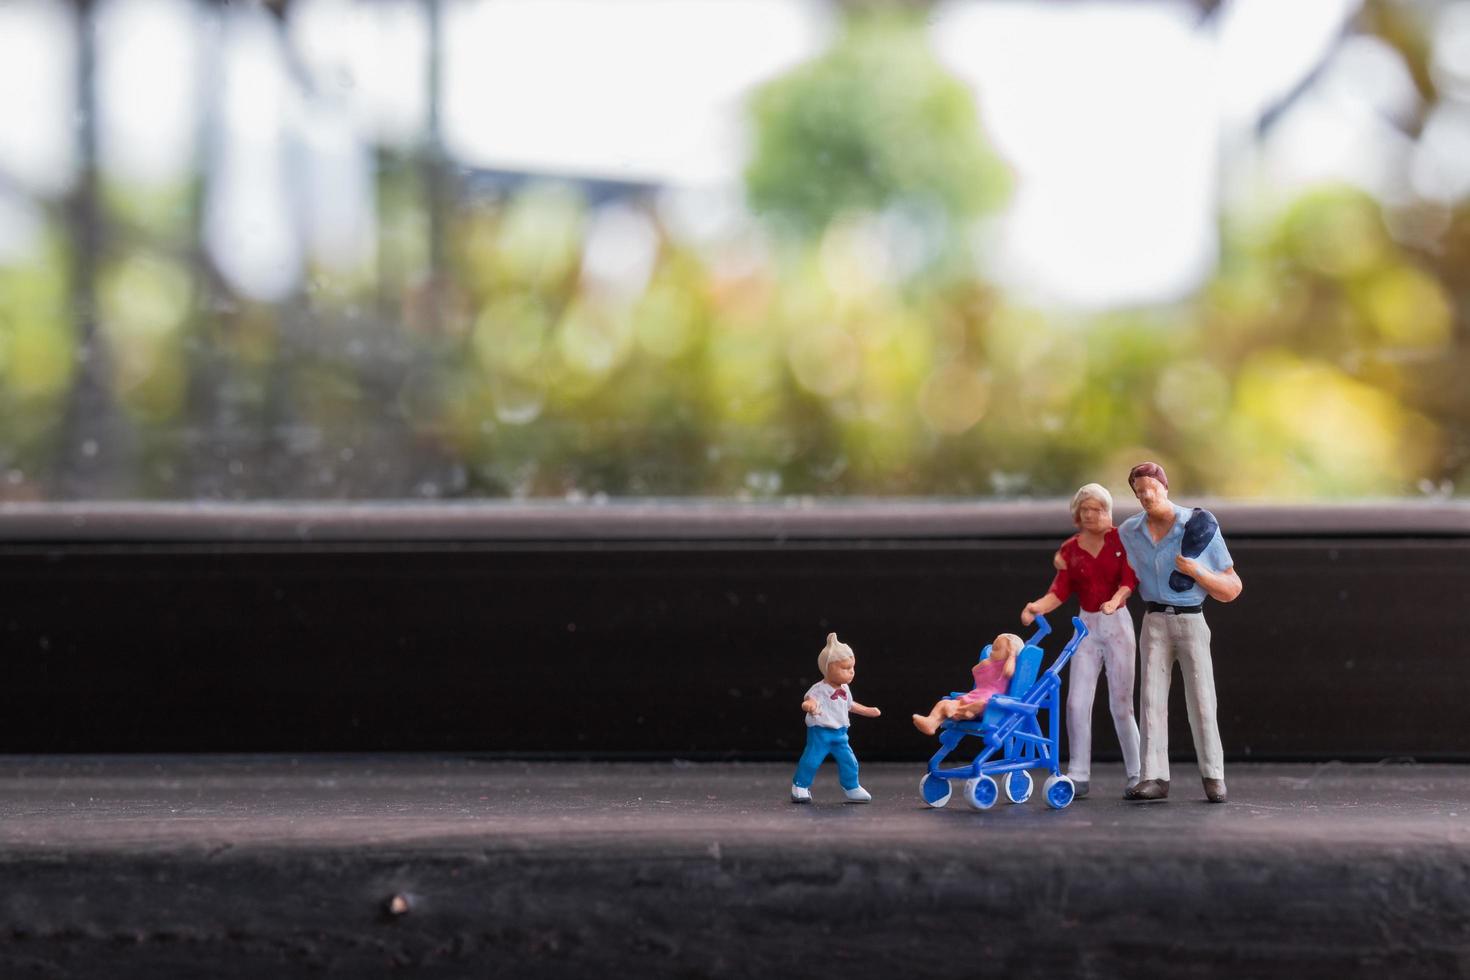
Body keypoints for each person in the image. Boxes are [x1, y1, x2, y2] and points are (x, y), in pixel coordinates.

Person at [1116, 461, 1242, 803]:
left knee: (1202, 700)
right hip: (1154, 621)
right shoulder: (1129, 532)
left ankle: (1213, 775)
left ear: (1165, 487)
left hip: (1190, 619)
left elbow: (1231, 587)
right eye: (1139, 492)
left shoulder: (1198, 525)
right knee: (1151, 700)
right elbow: (1122, 573)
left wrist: (1197, 572)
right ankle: (1154, 776)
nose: (1146, 497)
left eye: (1151, 490)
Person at [1020, 484, 1140, 799]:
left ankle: (1139, 772)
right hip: (1085, 625)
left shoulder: (1121, 541)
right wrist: (1037, 607)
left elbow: (1130, 580)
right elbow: (1060, 590)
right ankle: (1078, 773)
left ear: (1108, 511)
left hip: (1117, 625)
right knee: (1075, 702)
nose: (1090, 515)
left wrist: (1116, 600)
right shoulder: (1071, 550)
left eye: (1097, 509)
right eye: (1084, 509)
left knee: (1122, 705)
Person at [792, 633, 881, 803]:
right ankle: (800, 786)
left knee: (850, 761)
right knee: (812, 760)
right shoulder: (819, 689)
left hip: (840, 733)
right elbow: (808, 701)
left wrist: (868, 711)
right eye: (845, 668)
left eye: (852, 667)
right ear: (827, 668)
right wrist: (809, 706)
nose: (851, 672)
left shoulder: (845, 689)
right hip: (820, 733)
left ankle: (852, 787)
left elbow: (850, 705)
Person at [910, 633, 1023, 737]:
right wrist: (987, 662)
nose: (992, 651)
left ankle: (960, 712)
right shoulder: (990, 663)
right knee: (943, 703)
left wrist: (1012, 655)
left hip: (990, 701)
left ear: (1010, 652)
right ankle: (931, 723)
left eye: (997, 649)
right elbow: (976, 671)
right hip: (975, 695)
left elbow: (1008, 673)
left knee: (981, 704)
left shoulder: (1007, 665)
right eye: (992, 648)